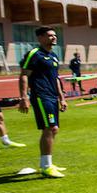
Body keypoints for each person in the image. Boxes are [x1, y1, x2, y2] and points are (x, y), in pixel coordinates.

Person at [19, 27, 68, 178]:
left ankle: (47, 163)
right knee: (50, 128)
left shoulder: (53, 56)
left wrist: (62, 98)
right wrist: (24, 97)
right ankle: (46, 167)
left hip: (53, 96)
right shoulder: (34, 54)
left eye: (54, 35)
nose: (54, 38)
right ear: (40, 38)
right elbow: (24, 75)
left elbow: (55, 78)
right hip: (41, 96)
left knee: (54, 129)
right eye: (49, 35)